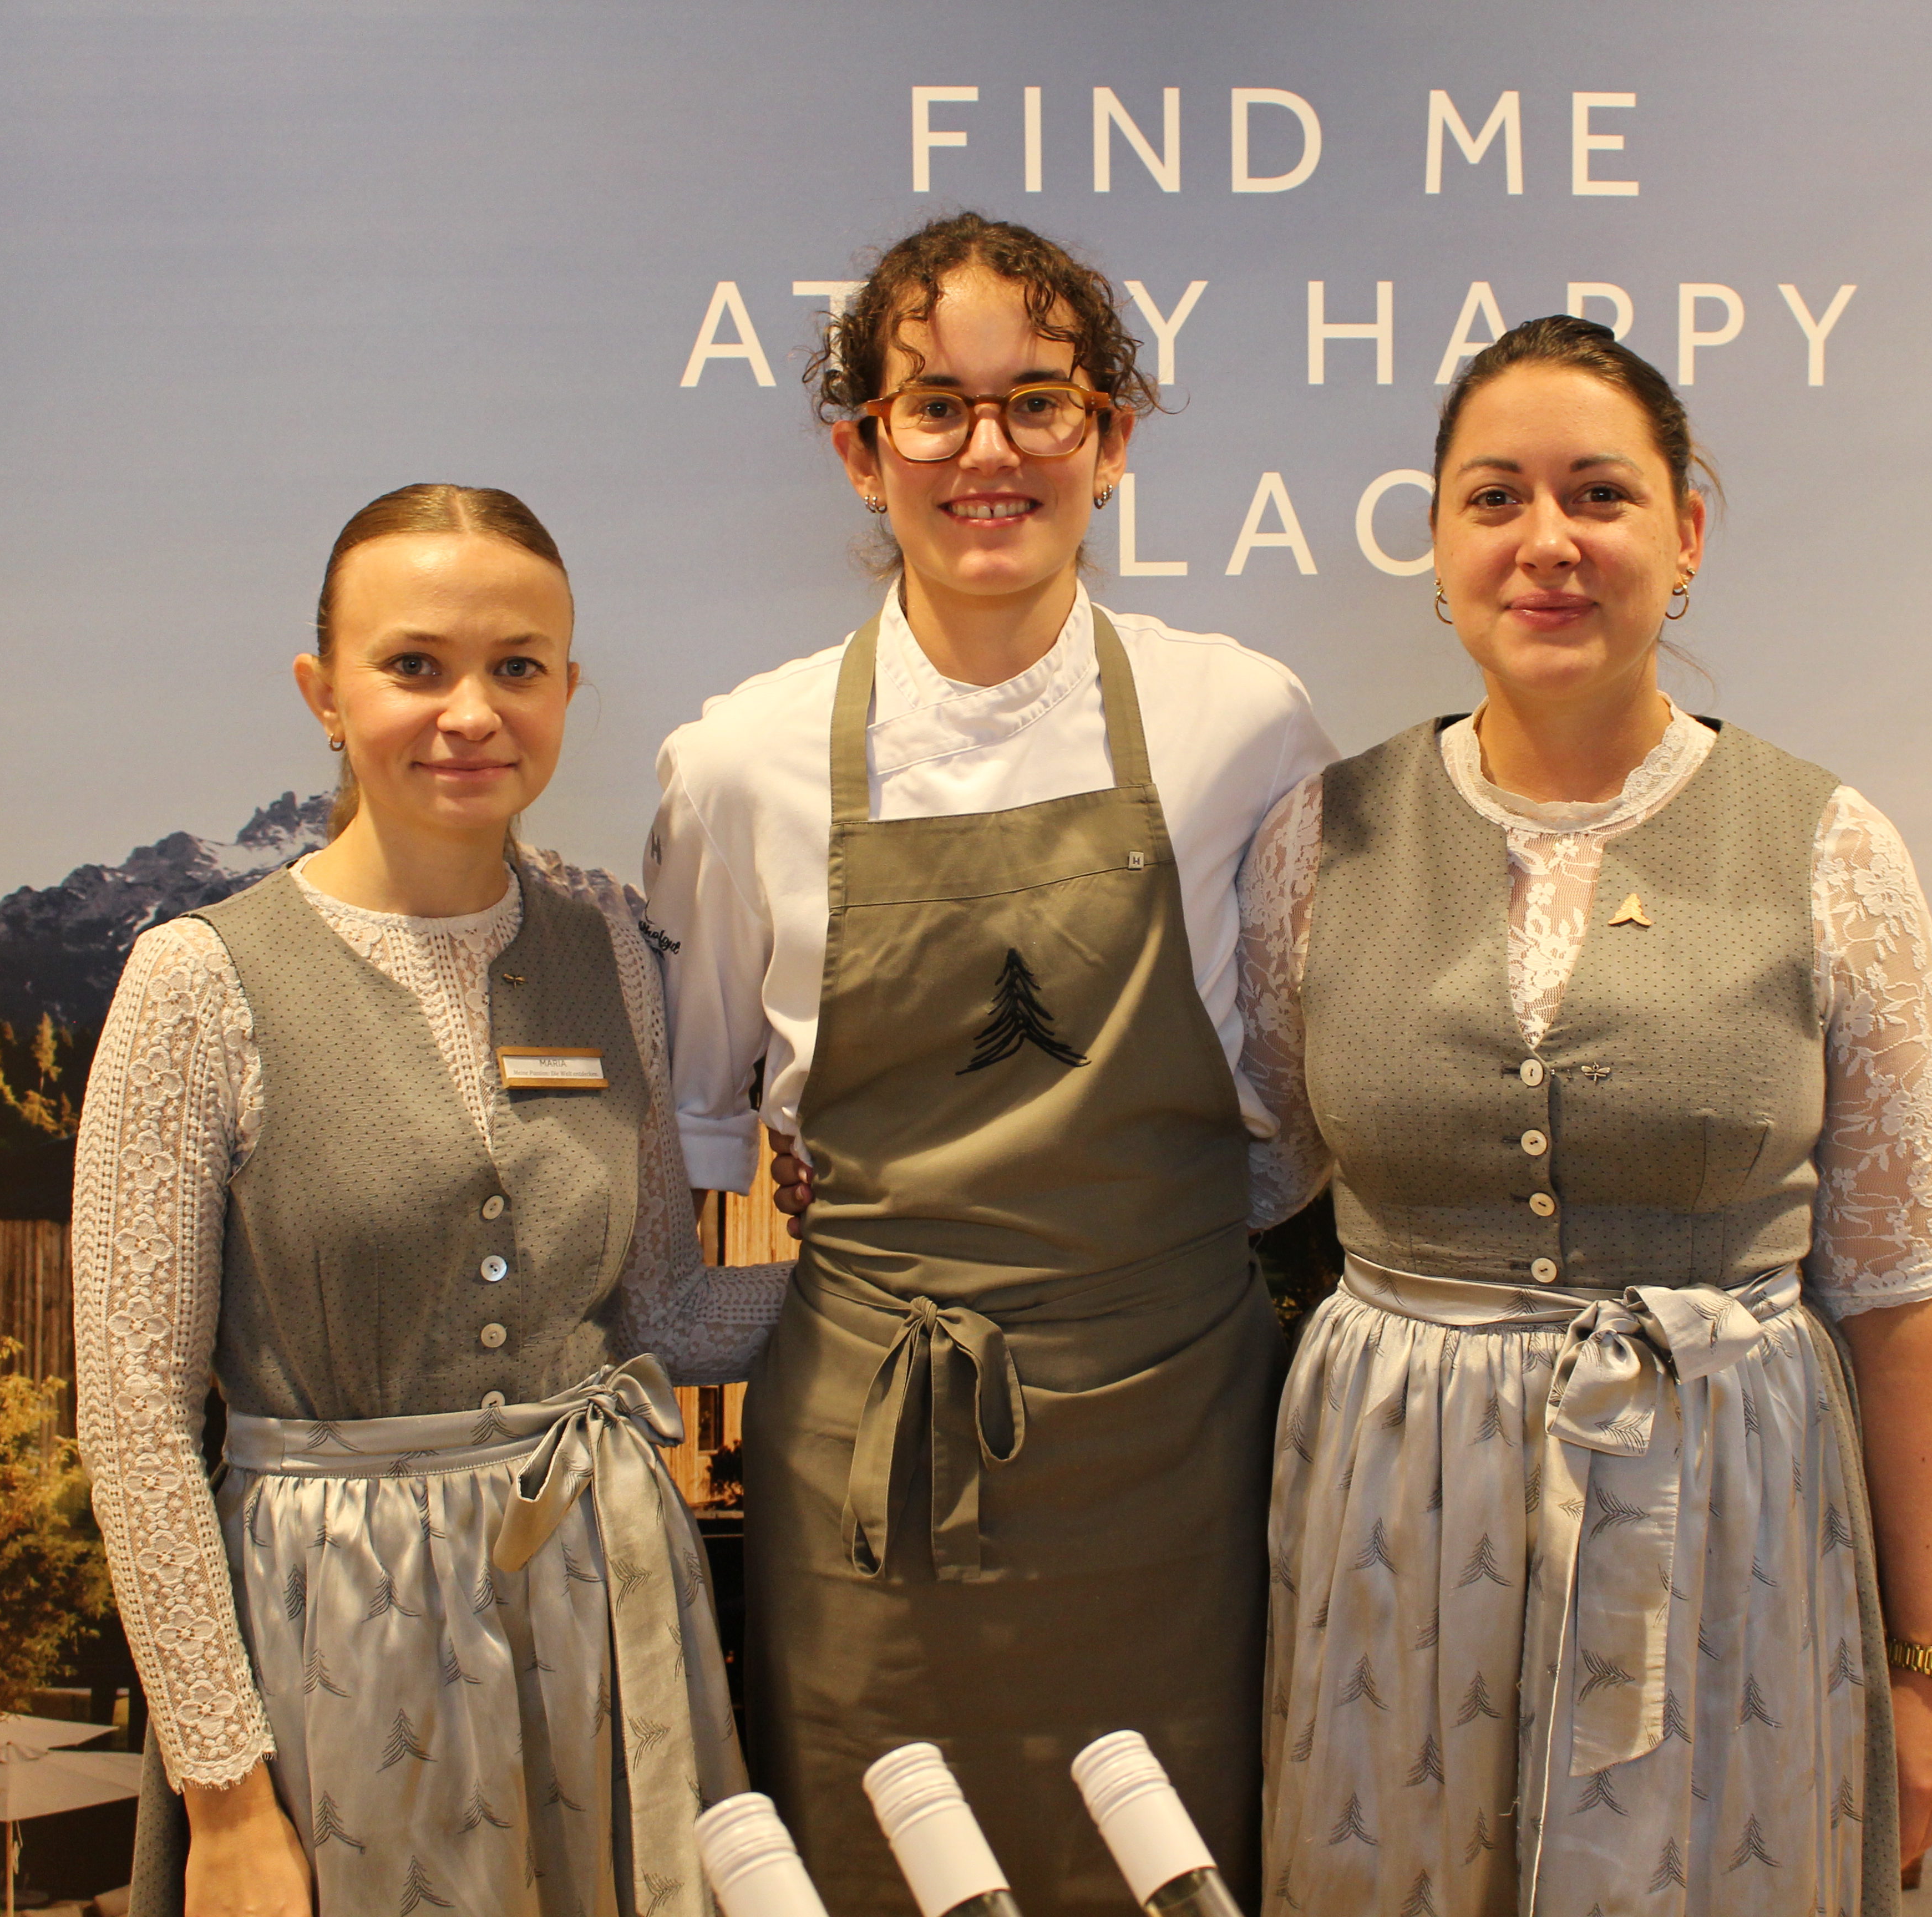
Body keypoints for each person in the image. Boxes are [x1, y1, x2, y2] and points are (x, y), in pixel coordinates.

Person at [1244, 316, 1932, 1916]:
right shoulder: (1320, 838)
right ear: (1438, 546)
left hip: (1730, 1503)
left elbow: (1905, 1291)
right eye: (1494, 499)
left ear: (1686, 532)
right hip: (1396, 1509)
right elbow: (1248, 1173)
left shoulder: (1832, 849)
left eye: (1602, 495)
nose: (1548, 544)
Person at [647, 213, 1333, 1915]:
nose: (988, 453)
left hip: (1179, 1448)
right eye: (933, 409)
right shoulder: (739, 765)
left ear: (1109, 437)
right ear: (858, 450)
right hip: (877, 1480)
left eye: (1038, 402)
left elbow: (1300, 1118)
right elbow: (697, 1148)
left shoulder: (1244, 724)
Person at [72, 484, 783, 1917]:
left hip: (606, 1605)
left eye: (517, 667)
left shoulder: (617, 964)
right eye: (415, 666)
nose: (471, 711)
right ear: (322, 692)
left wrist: (905, 1259)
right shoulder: (196, 985)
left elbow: (670, 1316)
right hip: (341, 1632)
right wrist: (223, 1799)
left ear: (568, 689)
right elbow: (138, 1425)